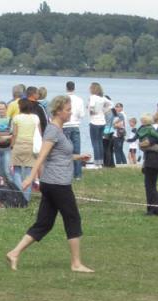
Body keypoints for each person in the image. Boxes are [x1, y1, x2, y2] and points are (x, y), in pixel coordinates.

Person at [6, 95, 94, 273]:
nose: (70, 113)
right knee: (73, 219)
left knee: (44, 223)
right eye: (68, 110)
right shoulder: (53, 130)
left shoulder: (58, 130)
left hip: (52, 183)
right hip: (57, 184)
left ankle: (14, 253)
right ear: (59, 111)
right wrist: (31, 178)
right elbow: (42, 156)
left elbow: (59, 155)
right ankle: (76, 264)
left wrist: (78, 157)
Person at [10, 98, 39, 203]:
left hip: (18, 145)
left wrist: (12, 145)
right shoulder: (35, 118)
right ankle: (26, 198)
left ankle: (19, 197)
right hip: (30, 146)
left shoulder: (17, 118)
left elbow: (14, 134)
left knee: (16, 171)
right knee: (28, 173)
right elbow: (39, 133)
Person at [64, 81, 85, 179]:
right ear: (74, 88)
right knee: (76, 151)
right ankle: (78, 174)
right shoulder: (79, 100)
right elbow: (82, 115)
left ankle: (66, 172)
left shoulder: (63, 99)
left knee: (65, 151)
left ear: (66, 88)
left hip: (65, 126)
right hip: (75, 125)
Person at [140, 112, 158, 216]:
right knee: (151, 185)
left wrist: (141, 144)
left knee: (150, 185)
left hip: (153, 159)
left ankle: (153, 209)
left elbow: (147, 143)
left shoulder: (152, 130)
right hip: (152, 158)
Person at [87, 82, 107, 168]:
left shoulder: (93, 97)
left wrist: (92, 112)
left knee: (94, 142)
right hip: (102, 121)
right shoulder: (102, 98)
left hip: (94, 121)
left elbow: (91, 106)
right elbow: (110, 105)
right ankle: (101, 162)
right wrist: (104, 111)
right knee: (99, 142)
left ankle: (96, 163)